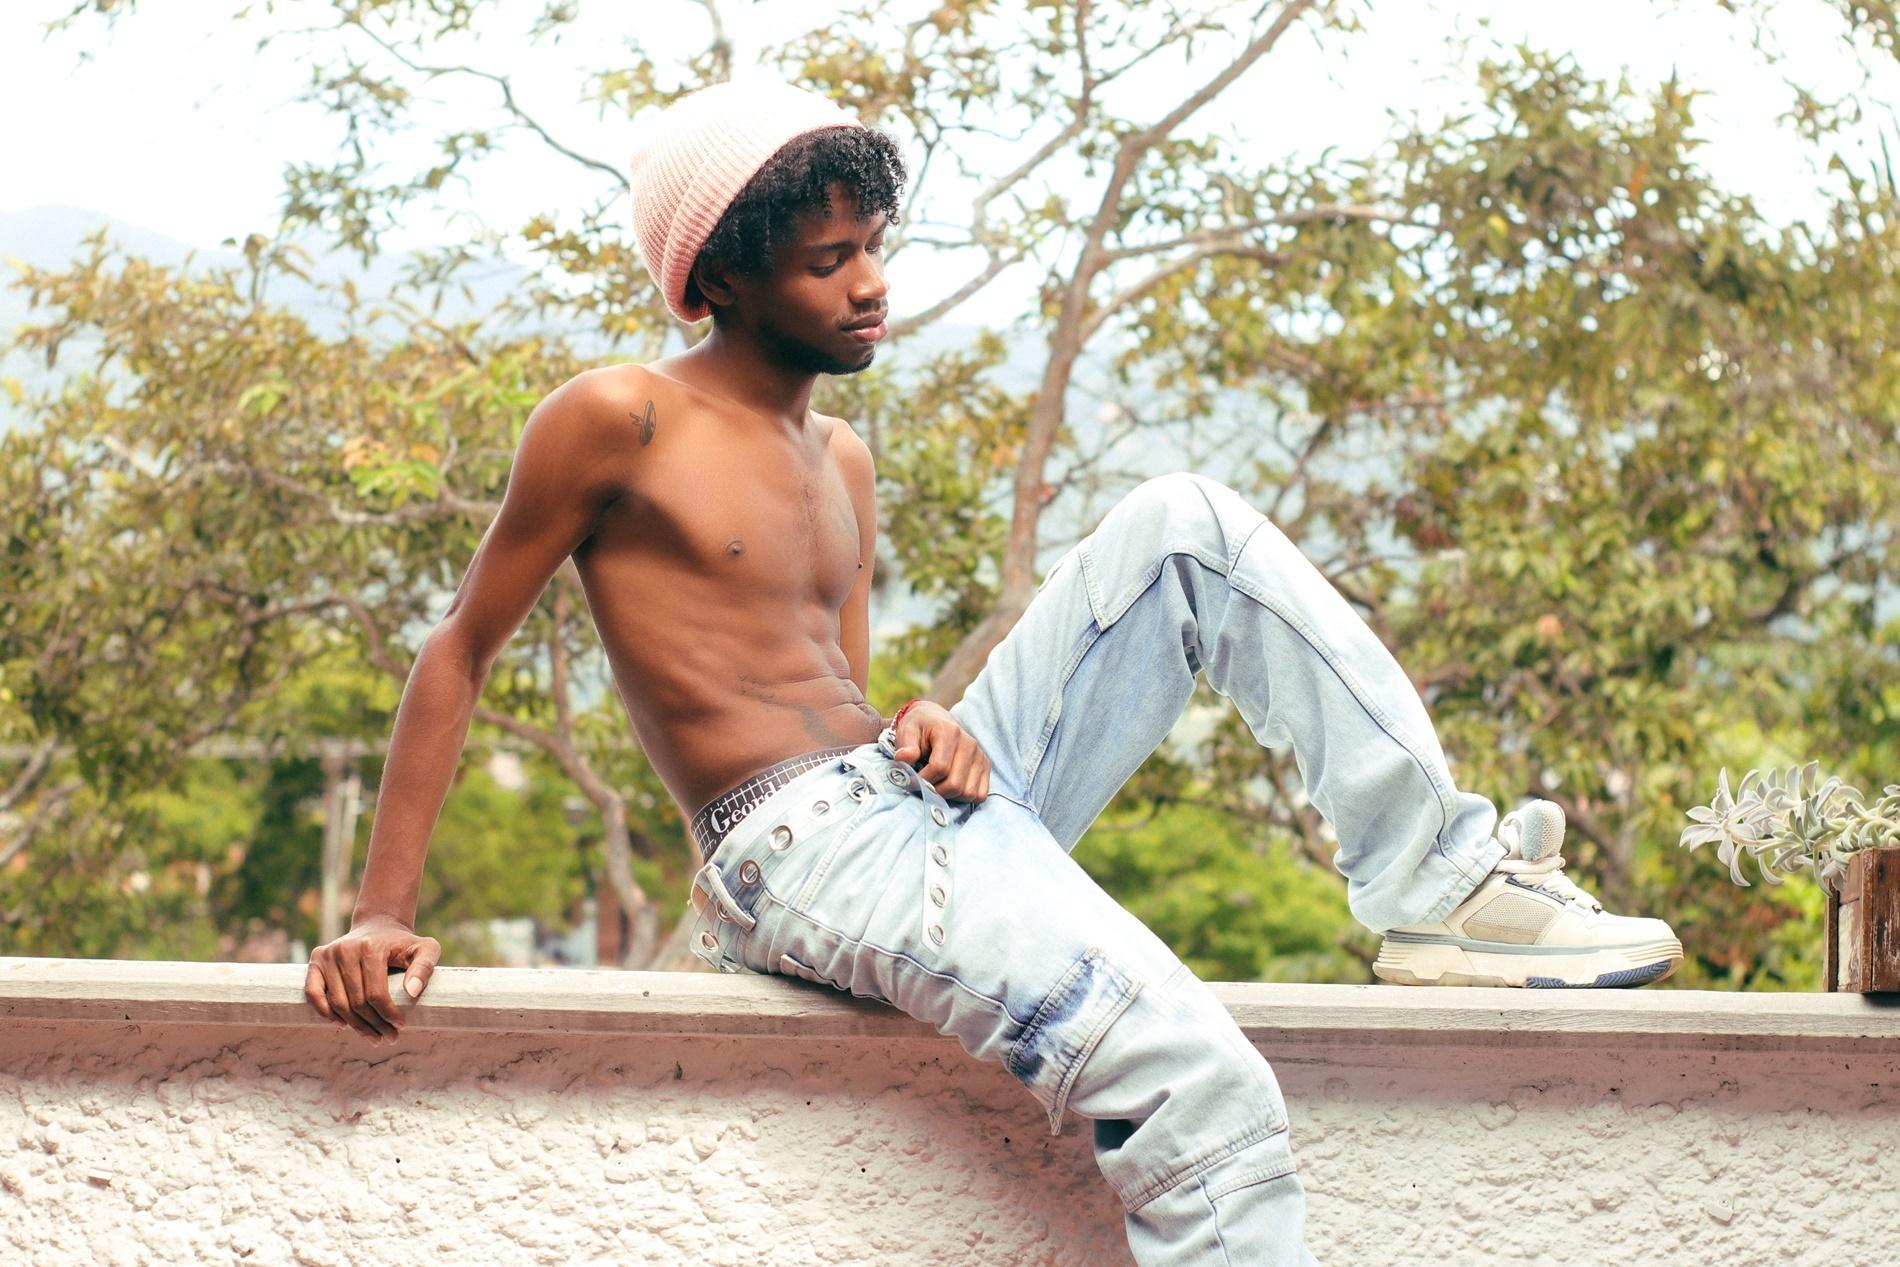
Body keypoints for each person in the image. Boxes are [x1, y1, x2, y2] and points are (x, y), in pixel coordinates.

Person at [304, 76, 1685, 1266]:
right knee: (1205, 1087)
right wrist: (380, 912)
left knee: (1184, 526)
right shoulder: (621, 416)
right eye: (828, 260)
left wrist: (923, 723)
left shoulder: (841, 458)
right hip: (793, 841)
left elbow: (839, 700)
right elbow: (460, 645)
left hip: (893, 799)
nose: (870, 283)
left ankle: (1439, 886)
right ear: (717, 279)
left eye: (873, 246)